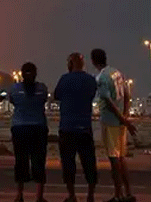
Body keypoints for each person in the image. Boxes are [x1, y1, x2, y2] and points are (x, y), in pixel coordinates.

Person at [0, 62, 49, 202]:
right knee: (39, 161)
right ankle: (39, 196)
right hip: (38, 127)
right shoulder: (42, 88)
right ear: (36, 73)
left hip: (19, 128)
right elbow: (43, 100)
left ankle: (19, 195)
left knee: (21, 161)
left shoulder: (15, 89)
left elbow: (12, 101)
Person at [90, 48, 137, 202]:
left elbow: (108, 102)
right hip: (120, 121)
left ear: (93, 61)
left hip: (110, 122)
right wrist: (125, 115)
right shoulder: (117, 73)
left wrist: (122, 119)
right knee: (121, 157)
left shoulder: (102, 78)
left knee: (114, 159)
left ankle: (118, 195)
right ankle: (128, 192)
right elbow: (127, 95)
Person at [54, 53, 99, 202]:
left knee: (68, 163)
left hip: (67, 127)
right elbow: (92, 94)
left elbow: (57, 95)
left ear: (70, 64)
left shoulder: (64, 79)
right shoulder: (90, 80)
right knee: (89, 163)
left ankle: (72, 195)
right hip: (85, 127)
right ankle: (90, 195)